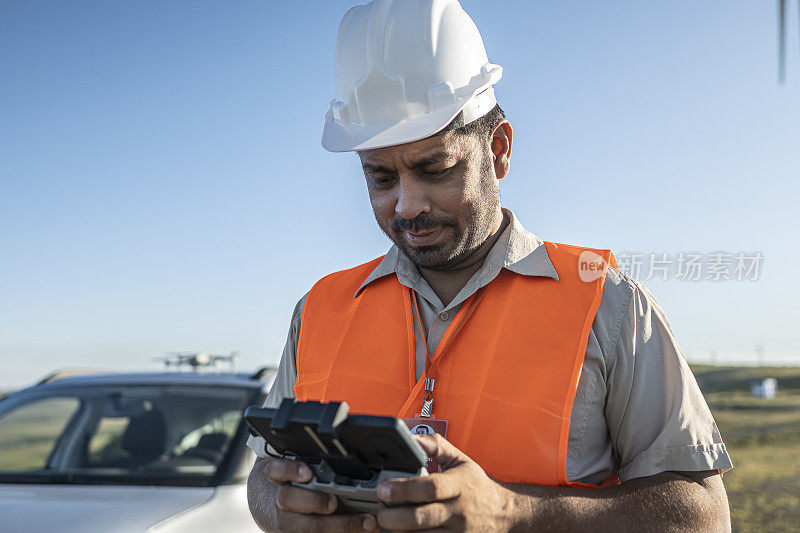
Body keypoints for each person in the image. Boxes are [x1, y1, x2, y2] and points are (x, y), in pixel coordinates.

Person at [247, 1, 733, 531]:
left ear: (498, 149)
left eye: (436, 168)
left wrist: (511, 511)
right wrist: (283, 512)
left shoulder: (607, 306)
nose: (407, 205)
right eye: (381, 178)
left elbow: (702, 516)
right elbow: (262, 478)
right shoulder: (320, 309)